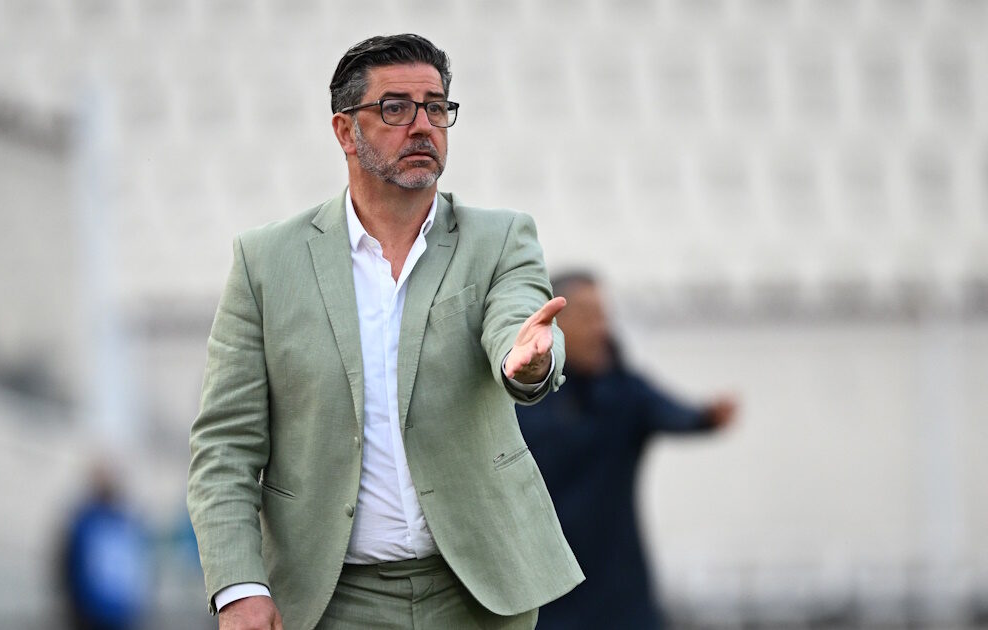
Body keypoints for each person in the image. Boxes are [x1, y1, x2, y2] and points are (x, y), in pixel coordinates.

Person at [185, 34, 583, 630]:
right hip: (329, 598)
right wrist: (238, 588)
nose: (422, 125)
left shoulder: (500, 238)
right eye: (396, 108)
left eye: (435, 107)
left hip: (479, 592)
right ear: (345, 131)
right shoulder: (265, 262)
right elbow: (225, 445)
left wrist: (526, 361)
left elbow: (519, 322)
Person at [516, 272, 738, 630]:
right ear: (550, 324)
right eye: (587, 316)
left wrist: (707, 418)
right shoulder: (518, 401)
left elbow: (679, 415)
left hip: (621, 596)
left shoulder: (625, 394)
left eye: (603, 316)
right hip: (545, 596)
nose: (599, 328)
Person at [56, 460, 152, 630]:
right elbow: (68, 564)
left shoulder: (123, 521)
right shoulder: (86, 521)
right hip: (88, 612)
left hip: (118, 612)